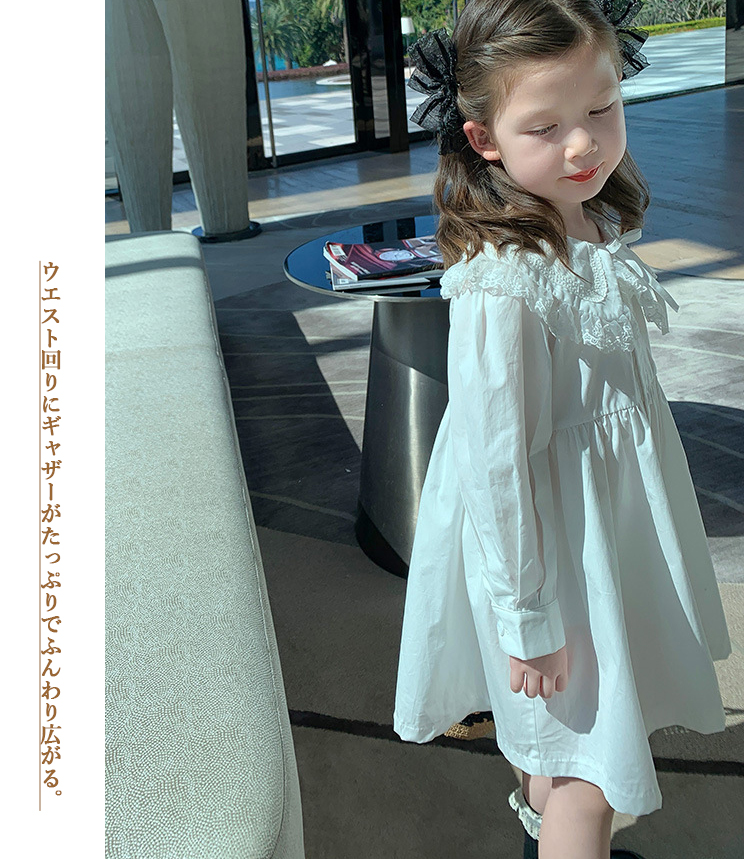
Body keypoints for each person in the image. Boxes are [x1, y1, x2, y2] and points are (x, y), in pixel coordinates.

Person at [392, 3, 732, 859]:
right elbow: (495, 464)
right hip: (549, 550)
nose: (584, 145)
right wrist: (528, 615)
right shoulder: (504, 285)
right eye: (545, 127)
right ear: (485, 138)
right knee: (593, 774)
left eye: (602, 109)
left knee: (562, 743)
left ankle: (543, 830)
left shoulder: (585, 218)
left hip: (600, 529)